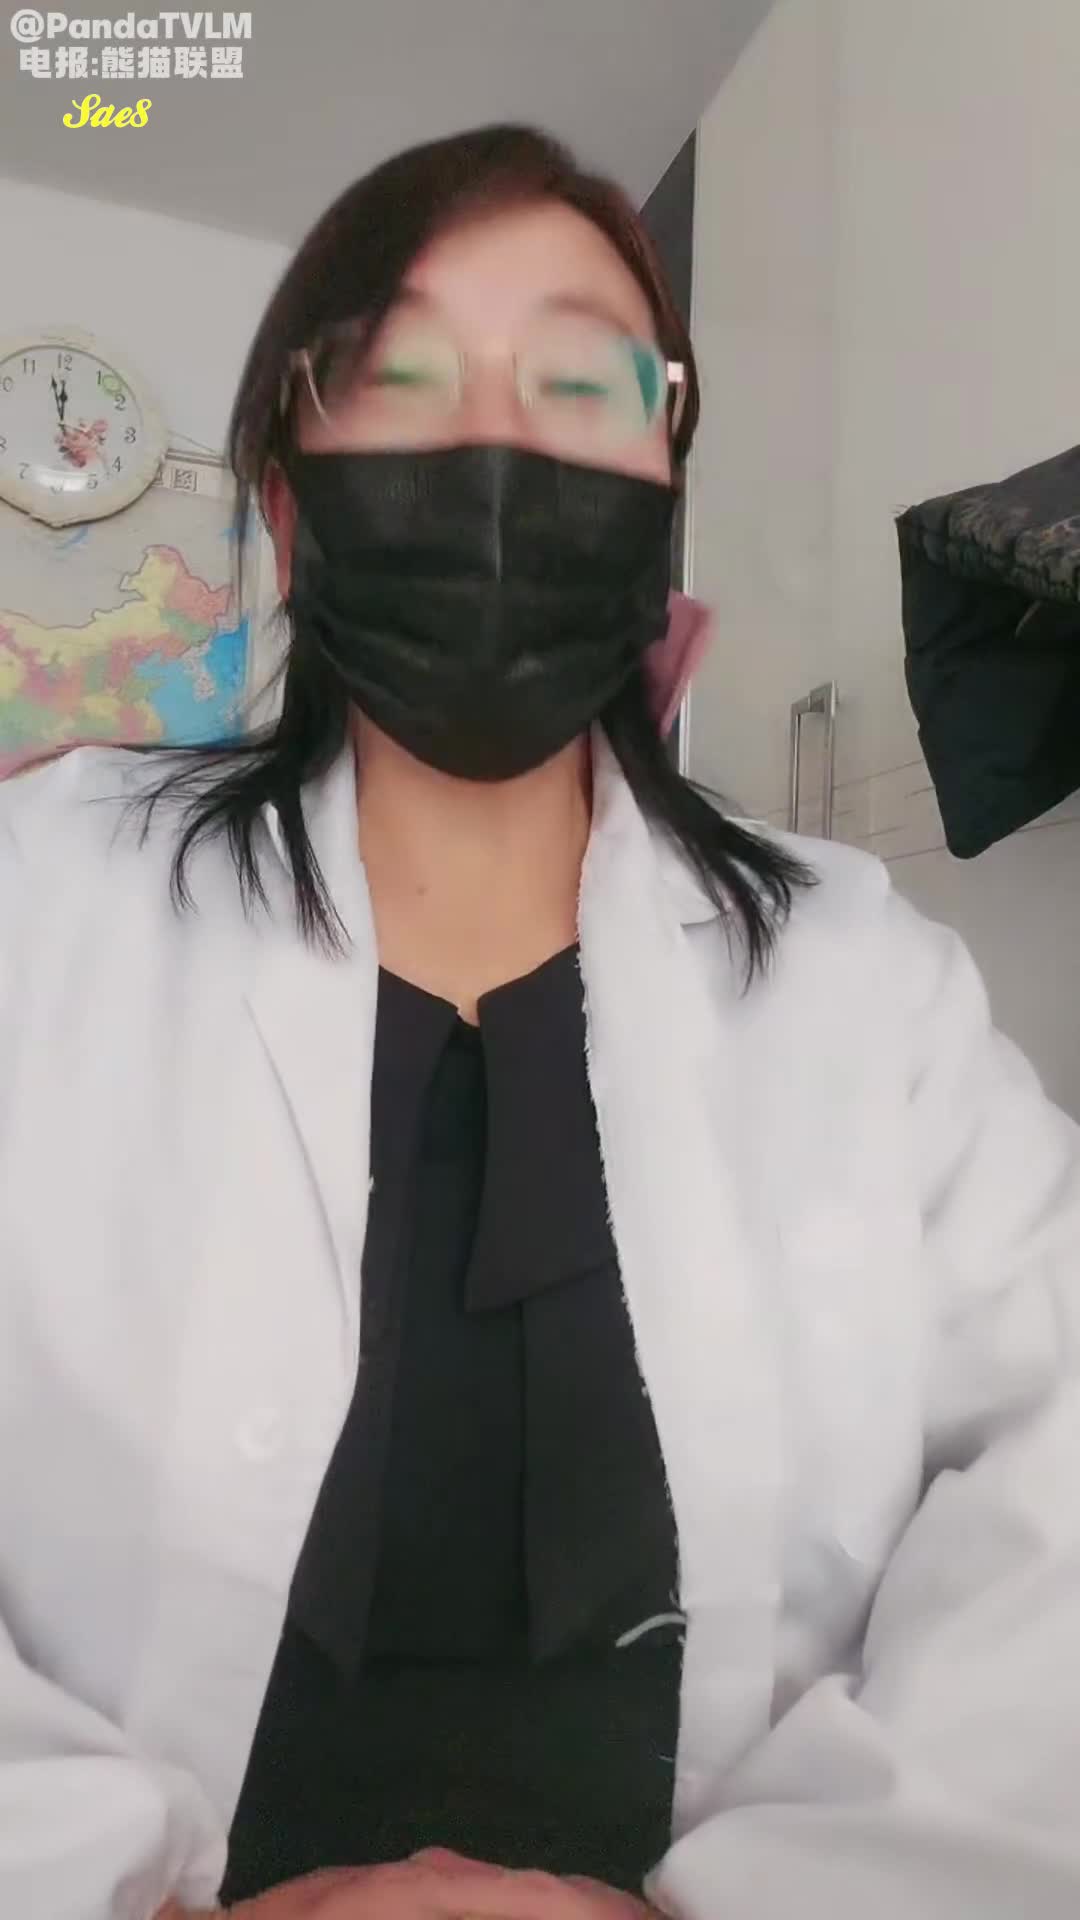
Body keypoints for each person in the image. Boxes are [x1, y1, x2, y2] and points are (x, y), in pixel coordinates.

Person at [2, 124, 1080, 1920]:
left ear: (662, 491)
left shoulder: (865, 985)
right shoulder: (44, 905)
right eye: (403, 374)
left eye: (582, 379)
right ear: (290, 495)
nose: (493, 444)